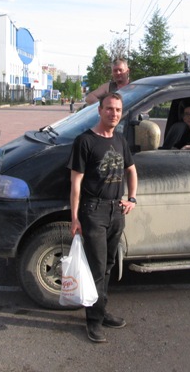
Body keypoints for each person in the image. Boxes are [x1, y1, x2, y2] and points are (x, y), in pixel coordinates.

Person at [68, 92, 138, 343]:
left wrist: (132, 198)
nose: (114, 113)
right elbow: (76, 183)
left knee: (108, 265)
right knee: (96, 268)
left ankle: (101, 310)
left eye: (118, 110)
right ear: (99, 110)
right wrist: (75, 218)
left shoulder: (120, 140)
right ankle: (93, 321)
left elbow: (131, 170)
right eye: (109, 108)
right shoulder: (85, 141)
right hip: (93, 211)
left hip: (116, 211)